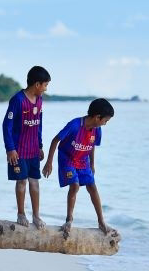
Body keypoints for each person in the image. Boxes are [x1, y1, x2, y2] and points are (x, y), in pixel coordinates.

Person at [42, 98, 113, 238]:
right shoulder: (75, 125)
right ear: (97, 117)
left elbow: (92, 147)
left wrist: (92, 164)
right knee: (74, 186)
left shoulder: (97, 130)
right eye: (106, 120)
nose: (105, 124)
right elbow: (56, 140)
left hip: (83, 160)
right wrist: (49, 162)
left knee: (92, 187)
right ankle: (69, 220)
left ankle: (101, 221)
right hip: (67, 159)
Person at [2, 65, 50, 229]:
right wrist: (10, 148)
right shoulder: (18, 100)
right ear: (37, 84)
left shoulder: (40, 100)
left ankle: (36, 216)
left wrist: (40, 145)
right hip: (18, 150)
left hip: (33, 150)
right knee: (21, 181)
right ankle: (21, 213)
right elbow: (6, 125)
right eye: (45, 85)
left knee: (35, 182)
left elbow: (39, 124)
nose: (45, 89)